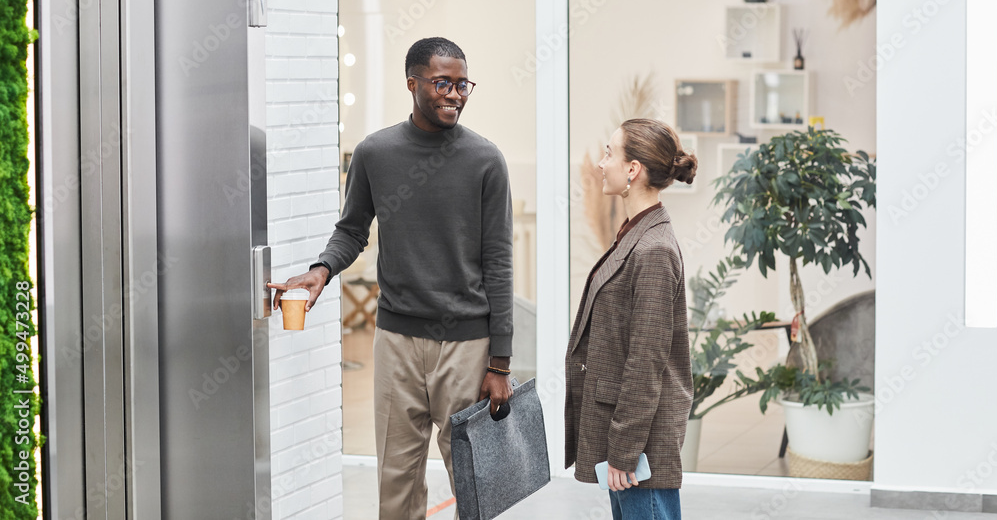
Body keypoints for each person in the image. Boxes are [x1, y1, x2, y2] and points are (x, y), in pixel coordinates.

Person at [268, 37, 514, 520]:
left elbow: (499, 264)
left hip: (465, 345)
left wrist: (501, 363)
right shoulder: (375, 153)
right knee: (396, 483)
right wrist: (322, 271)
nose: (455, 94)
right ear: (413, 83)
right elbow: (351, 230)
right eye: (442, 83)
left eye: (463, 84)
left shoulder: (486, 161)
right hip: (396, 339)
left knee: (475, 484)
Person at [564, 118, 697, 520]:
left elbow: (646, 362)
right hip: (627, 434)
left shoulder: (653, 248)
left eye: (609, 153)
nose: (602, 164)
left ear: (633, 169)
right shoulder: (636, 232)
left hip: (640, 443)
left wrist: (624, 449)